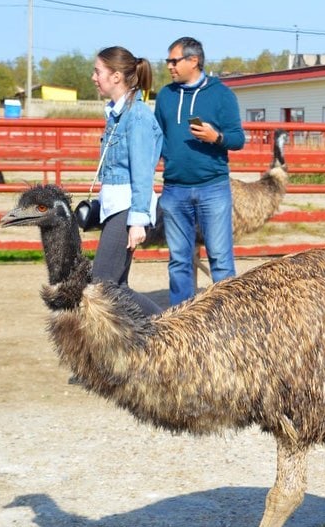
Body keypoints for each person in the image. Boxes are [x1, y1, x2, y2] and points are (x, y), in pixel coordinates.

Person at [154, 36, 245, 304]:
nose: (169, 66)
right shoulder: (166, 96)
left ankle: (229, 315)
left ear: (193, 61)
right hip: (174, 190)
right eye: (168, 61)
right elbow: (157, 136)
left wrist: (215, 137)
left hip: (212, 189)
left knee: (220, 260)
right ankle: (182, 320)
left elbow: (238, 139)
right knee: (179, 260)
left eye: (174, 60)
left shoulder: (222, 95)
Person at [90, 46, 163, 317]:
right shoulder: (117, 114)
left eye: (98, 72)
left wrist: (138, 220)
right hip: (115, 206)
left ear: (117, 76)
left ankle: (165, 328)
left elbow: (143, 173)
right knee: (115, 285)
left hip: (126, 208)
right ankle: (152, 335)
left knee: (102, 284)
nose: (94, 77)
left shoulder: (138, 117)